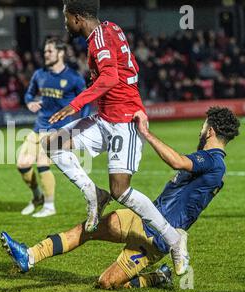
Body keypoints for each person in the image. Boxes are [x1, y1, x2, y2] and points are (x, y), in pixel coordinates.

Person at [1, 107, 240, 289]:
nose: (200, 130)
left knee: (106, 283)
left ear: (210, 131)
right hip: (144, 219)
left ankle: (158, 276)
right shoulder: (213, 164)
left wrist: (145, 133)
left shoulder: (212, 161)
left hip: (160, 239)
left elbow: (177, 161)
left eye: (203, 126)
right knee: (88, 230)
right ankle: (30, 255)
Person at [41, 0, 189, 275]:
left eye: (66, 18)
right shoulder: (110, 29)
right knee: (52, 143)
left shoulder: (99, 39)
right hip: (105, 118)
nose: (65, 23)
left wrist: (75, 105)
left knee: (120, 191)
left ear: (77, 17)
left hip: (125, 122)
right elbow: (123, 70)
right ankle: (94, 194)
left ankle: (173, 239)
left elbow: (109, 77)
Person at [17, 37, 91, 218]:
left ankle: (50, 206)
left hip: (59, 130)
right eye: (44, 52)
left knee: (42, 163)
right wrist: (29, 103)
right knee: (22, 164)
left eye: (49, 51)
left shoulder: (73, 77)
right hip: (39, 127)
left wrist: (80, 125)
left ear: (60, 53)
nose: (46, 54)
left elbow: (86, 102)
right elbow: (28, 94)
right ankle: (37, 197)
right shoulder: (39, 75)